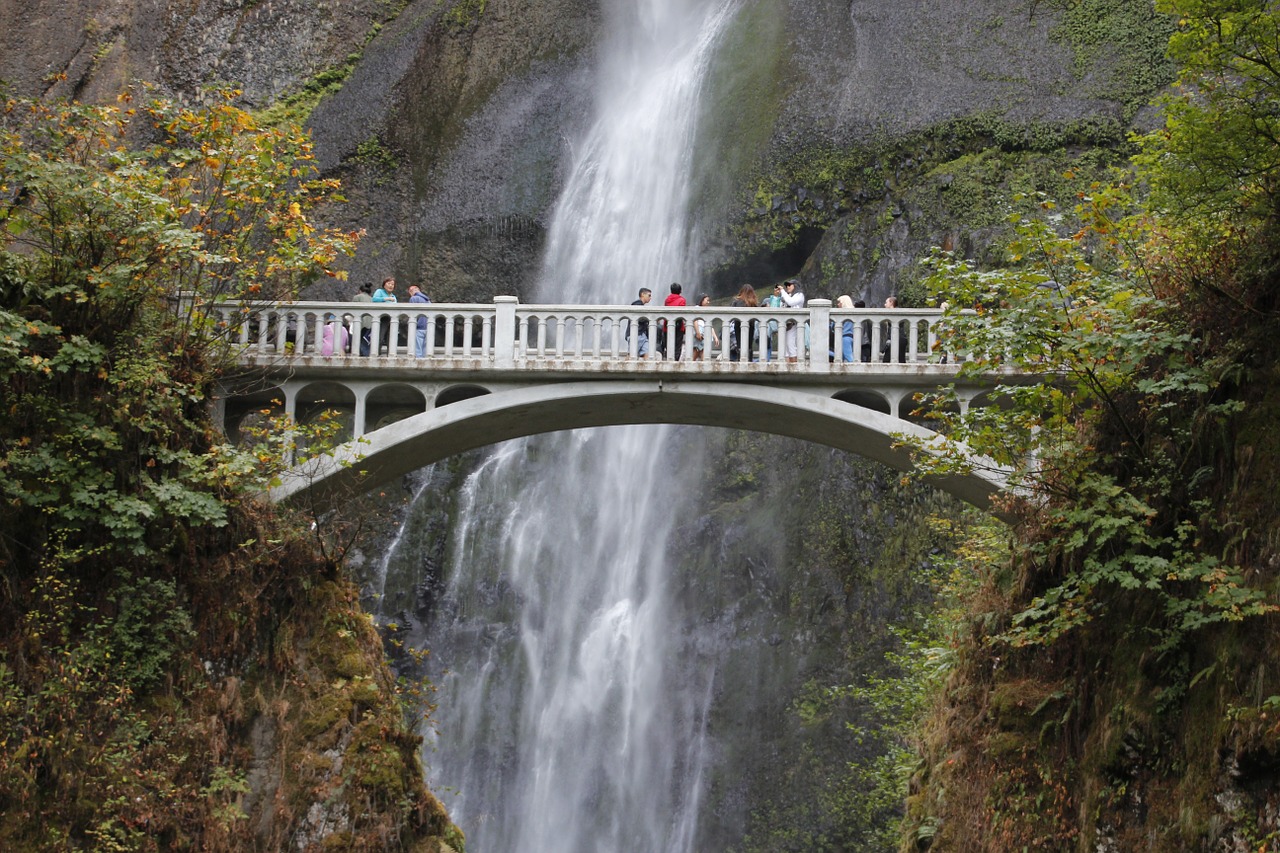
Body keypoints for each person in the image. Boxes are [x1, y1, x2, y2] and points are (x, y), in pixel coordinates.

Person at [778, 278, 805, 363]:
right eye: (786, 286)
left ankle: (794, 365)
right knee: (785, 346)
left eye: (789, 285)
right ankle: (787, 366)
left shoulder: (799, 295)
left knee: (790, 344)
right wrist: (779, 296)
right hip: (786, 324)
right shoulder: (787, 295)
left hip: (795, 323)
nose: (787, 287)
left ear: (795, 285)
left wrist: (783, 291)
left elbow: (791, 302)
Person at [729, 284, 758, 362]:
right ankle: (749, 360)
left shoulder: (736, 301)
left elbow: (730, 312)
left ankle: (740, 360)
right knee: (749, 345)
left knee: (739, 344)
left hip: (738, 325)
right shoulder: (753, 303)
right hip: (750, 325)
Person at [663, 282, 687, 360]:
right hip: (678, 326)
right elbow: (682, 314)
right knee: (677, 345)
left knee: (669, 344)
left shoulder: (667, 300)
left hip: (667, 325)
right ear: (680, 291)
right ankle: (675, 361)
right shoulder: (681, 300)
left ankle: (668, 359)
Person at [372, 277, 397, 353]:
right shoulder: (379, 291)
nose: (391, 286)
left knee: (391, 338)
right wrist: (387, 299)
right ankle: (376, 353)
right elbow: (374, 299)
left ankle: (390, 354)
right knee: (380, 337)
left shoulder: (393, 296)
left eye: (392, 284)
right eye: (389, 283)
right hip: (382, 318)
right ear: (384, 284)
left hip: (392, 319)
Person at [692, 293, 719, 361]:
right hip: (700, 334)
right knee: (697, 353)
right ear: (701, 300)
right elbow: (694, 320)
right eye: (707, 300)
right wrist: (698, 332)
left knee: (700, 353)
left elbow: (709, 325)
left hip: (705, 334)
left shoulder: (706, 310)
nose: (708, 302)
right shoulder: (697, 308)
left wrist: (715, 337)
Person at [408, 283, 432, 357]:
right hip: (428, 327)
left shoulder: (414, 298)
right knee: (425, 349)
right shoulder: (428, 301)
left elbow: (412, 314)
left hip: (419, 327)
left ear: (411, 291)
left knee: (417, 350)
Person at [628, 287, 652, 357]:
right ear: (642, 294)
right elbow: (640, 318)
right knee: (631, 356)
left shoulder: (641, 306)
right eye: (649, 295)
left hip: (643, 335)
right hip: (636, 334)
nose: (650, 298)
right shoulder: (637, 304)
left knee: (647, 354)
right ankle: (621, 367)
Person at [352, 282, 373, 356]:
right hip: (371, 324)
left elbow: (353, 311)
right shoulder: (372, 299)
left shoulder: (357, 297)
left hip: (361, 324)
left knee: (358, 341)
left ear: (360, 290)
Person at [836, 295, 856, 362]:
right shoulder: (853, 313)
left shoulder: (843, 314)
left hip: (845, 337)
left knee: (849, 358)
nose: (838, 304)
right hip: (851, 337)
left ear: (843, 303)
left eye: (839, 302)